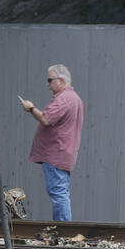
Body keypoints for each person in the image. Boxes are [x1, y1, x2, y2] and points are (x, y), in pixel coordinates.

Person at [20, 64, 85, 221]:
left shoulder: (64, 98)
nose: (47, 84)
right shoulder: (75, 98)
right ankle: (63, 229)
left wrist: (31, 108)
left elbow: (46, 119)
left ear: (61, 80)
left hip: (56, 153)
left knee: (58, 192)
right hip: (63, 153)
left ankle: (63, 229)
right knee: (60, 190)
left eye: (50, 80)